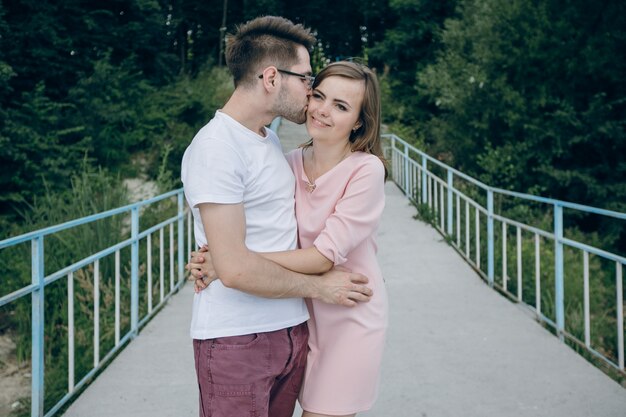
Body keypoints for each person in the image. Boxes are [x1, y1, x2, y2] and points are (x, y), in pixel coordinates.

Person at [181, 16, 374, 417]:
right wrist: (321, 288)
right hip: (236, 338)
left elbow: (241, 255)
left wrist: (222, 260)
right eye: (306, 79)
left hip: (290, 331)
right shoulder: (216, 147)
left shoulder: (267, 139)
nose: (311, 91)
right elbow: (235, 271)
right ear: (271, 77)